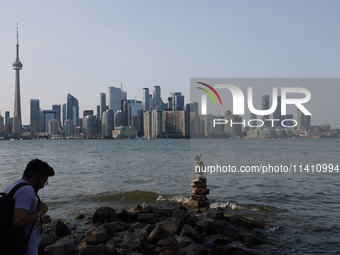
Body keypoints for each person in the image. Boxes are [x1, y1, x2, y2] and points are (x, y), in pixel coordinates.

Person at [4, 159, 55, 255]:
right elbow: (18, 221)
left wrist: (38, 220)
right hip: (24, 249)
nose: (43, 186)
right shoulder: (27, 190)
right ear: (36, 178)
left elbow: (12, 218)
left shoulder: (12, 186)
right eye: (44, 182)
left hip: (11, 245)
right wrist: (39, 212)